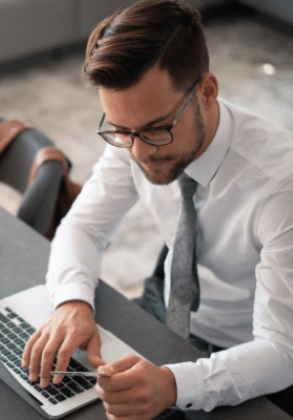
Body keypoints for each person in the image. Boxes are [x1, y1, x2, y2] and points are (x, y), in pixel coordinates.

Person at [22, 0, 293, 417]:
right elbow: (83, 228)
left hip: (249, 355)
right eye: (121, 130)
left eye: (157, 130)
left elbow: (281, 351)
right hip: (163, 307)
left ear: (206, 91)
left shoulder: (281, 186)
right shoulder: (134, 136)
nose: (139, 152)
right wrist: (72, 302)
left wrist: (172, 384)